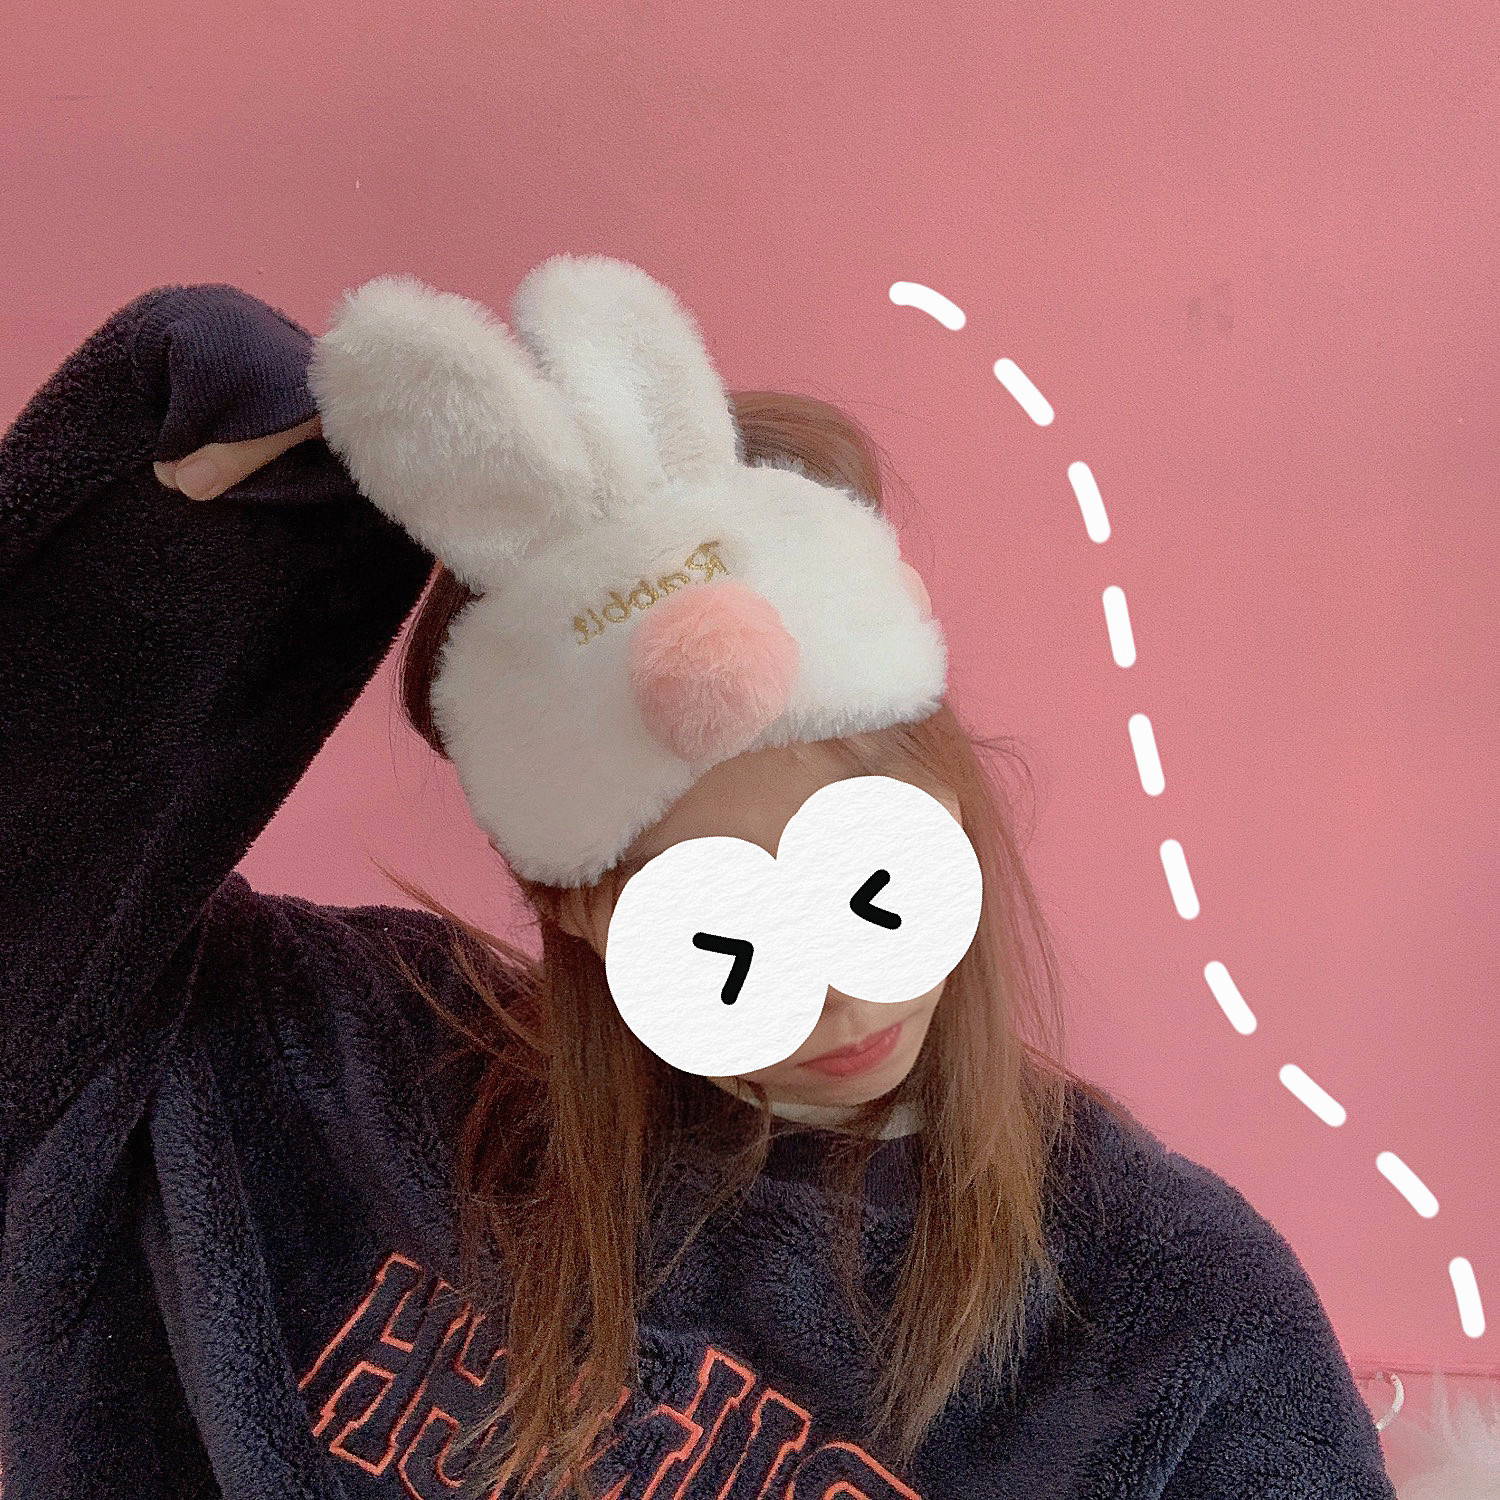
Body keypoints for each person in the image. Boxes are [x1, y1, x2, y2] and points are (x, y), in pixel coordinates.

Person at [0, 273, 1397, 1500]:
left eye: (870, 883)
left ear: (950, 808)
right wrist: (188, 555)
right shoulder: (342, 1073)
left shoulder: (1170, 1310)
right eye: (726, 923)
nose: (841, 994)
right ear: (580, 907)